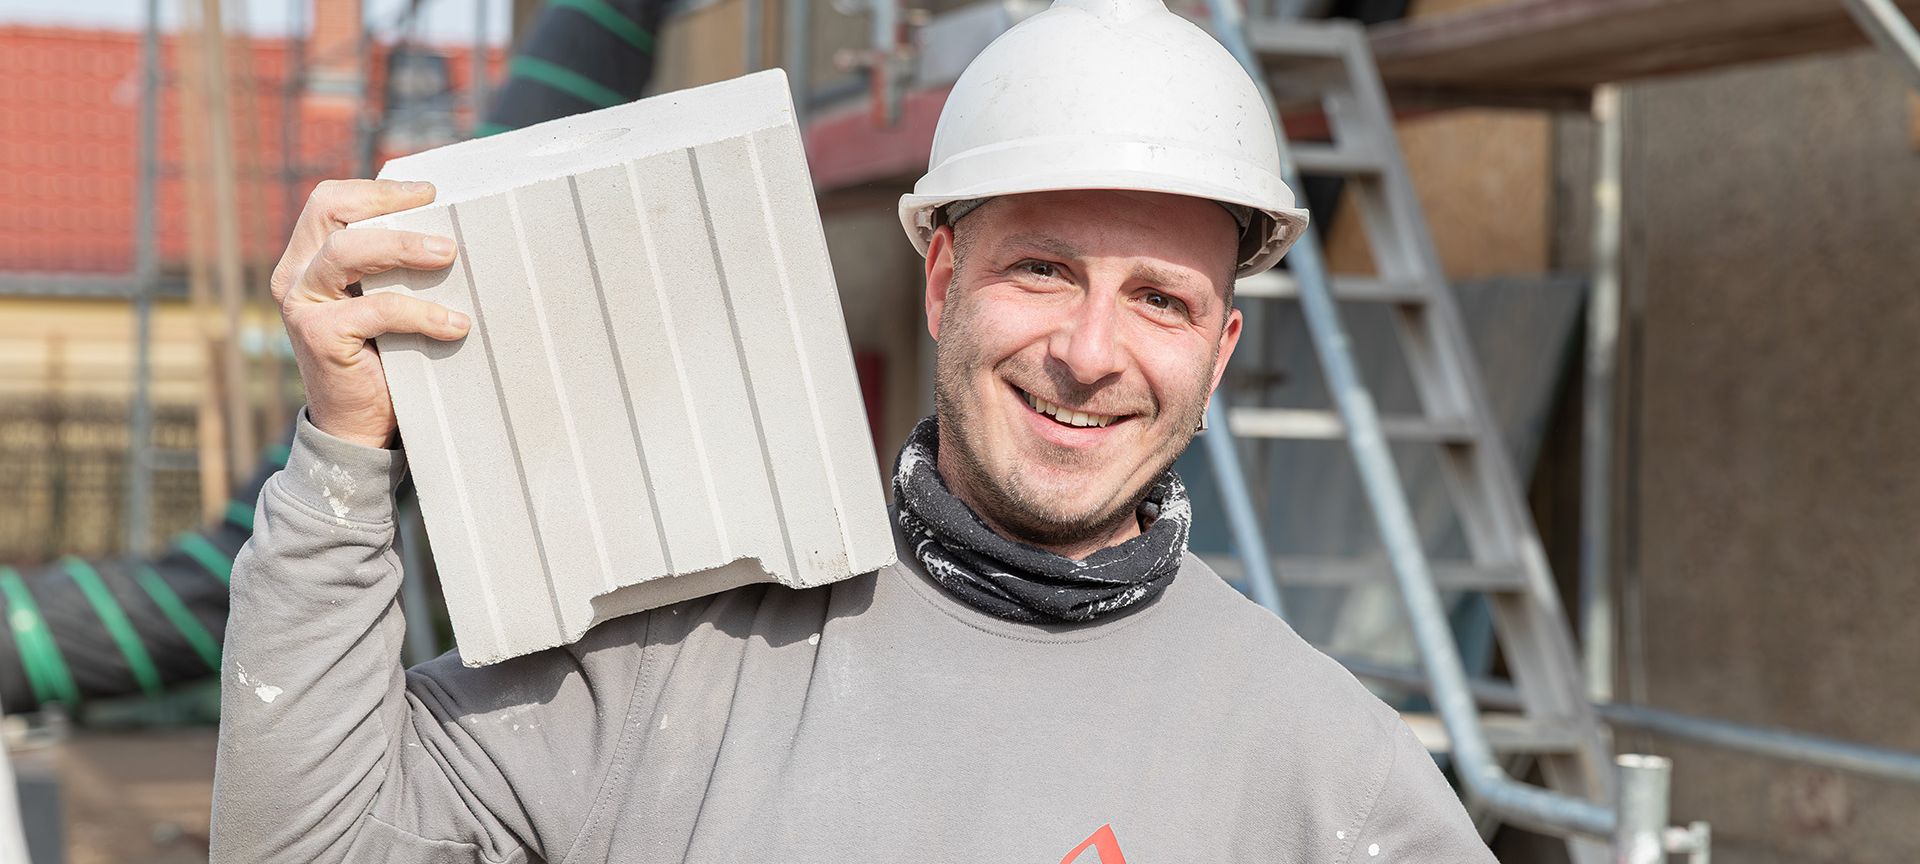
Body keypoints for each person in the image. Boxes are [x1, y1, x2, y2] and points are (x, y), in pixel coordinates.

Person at [209, 0, 1498, 860]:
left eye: (1159, 300)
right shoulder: (676, 660)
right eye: (1040, 270)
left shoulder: (1329, 777)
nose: (1090, 354)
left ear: (1217, 350)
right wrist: (341, 455)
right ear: (942, 280)